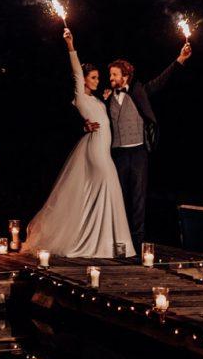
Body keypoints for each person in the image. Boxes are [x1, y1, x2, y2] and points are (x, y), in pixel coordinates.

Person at [22, 28, 135, 259]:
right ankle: (93, 242)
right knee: (106, 183)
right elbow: (75, 71)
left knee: (105, 191)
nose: (97, 80)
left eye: (97, 77)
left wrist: (104, 99)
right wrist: (71, 46)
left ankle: (108, 244)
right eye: (93, 77)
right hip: (95, 150)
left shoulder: (97, 99)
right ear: (83, 80)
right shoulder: (80, 97)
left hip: (103, 149)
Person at [85, 42, 192, 256]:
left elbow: (162, 81)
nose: (111, 78)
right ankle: (119, 244)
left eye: (115, 75)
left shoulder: (139, 90)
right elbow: (90, 113)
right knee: (119, 199)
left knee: (138, 200)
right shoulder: (106, 99)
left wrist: (179, 60)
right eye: (111, 75)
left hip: (139, 152)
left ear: (125, 77)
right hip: (118, 154)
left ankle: (137, 244)